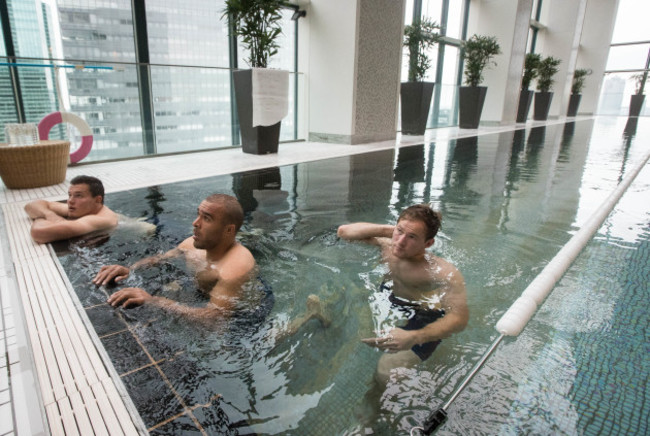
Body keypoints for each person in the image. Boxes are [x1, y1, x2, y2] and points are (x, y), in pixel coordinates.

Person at [337, 204, 468, 387]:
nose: (400, 242)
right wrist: (391, 231)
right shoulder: (389, 244)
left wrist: (414, 336)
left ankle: (375, 408)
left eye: (412, 237)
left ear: (428, 243)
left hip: (421, 314)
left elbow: (459, 318)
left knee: (386, 371)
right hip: (388, 296)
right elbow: (344, 232)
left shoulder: (442, 272)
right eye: (399, 231)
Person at [93, 194, 260, 321]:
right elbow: (160, 259)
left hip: (244, 316)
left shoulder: (234, 270)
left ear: (229, 230)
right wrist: (130, 269)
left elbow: (214, 319)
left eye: (206, 218)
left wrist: (154, 301)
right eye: (198, 215)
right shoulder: (190, 244)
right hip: (203, 293)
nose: (195, 223)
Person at [24, 175, 118, 244]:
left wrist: (40, 216)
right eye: (70, 195)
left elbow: (39, 233)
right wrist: (49, 214)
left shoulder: (100, 219)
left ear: (98, 200)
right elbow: (31, 205)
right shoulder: (83, 208)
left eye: (78, 195)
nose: (70, 201)